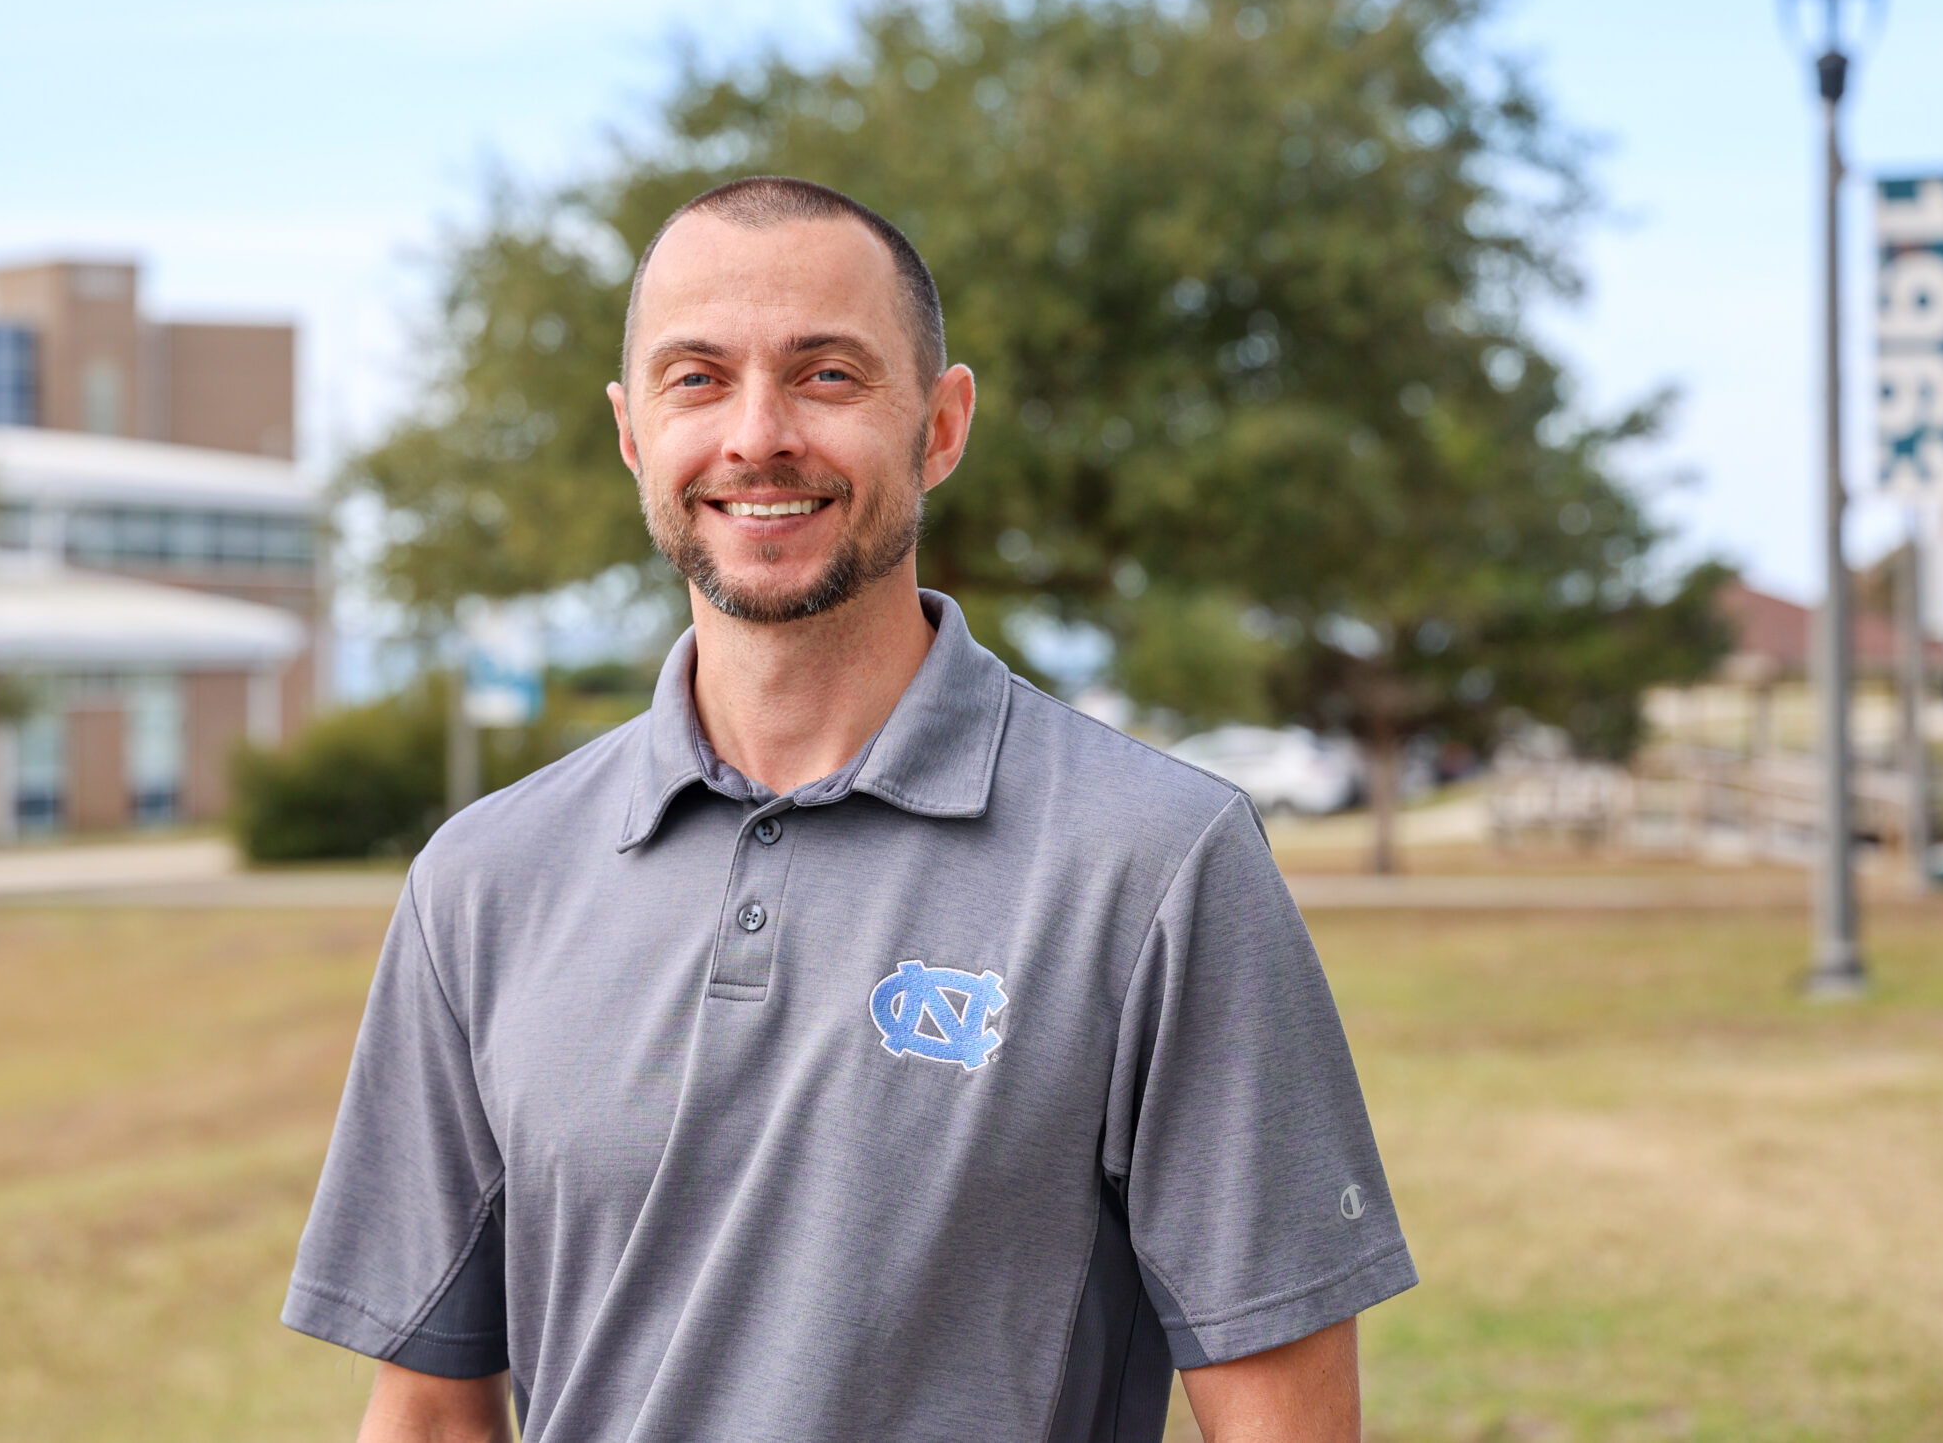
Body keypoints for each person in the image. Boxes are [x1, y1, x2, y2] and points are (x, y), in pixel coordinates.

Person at [286, 177, 1415, 1442]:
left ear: (940, 427)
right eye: (696, 379)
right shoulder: (482, 879)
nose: (756, 436)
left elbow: (1287, 1423)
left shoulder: (1155, 862)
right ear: (629, 434)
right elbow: (432, 1412)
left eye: (826, 376)